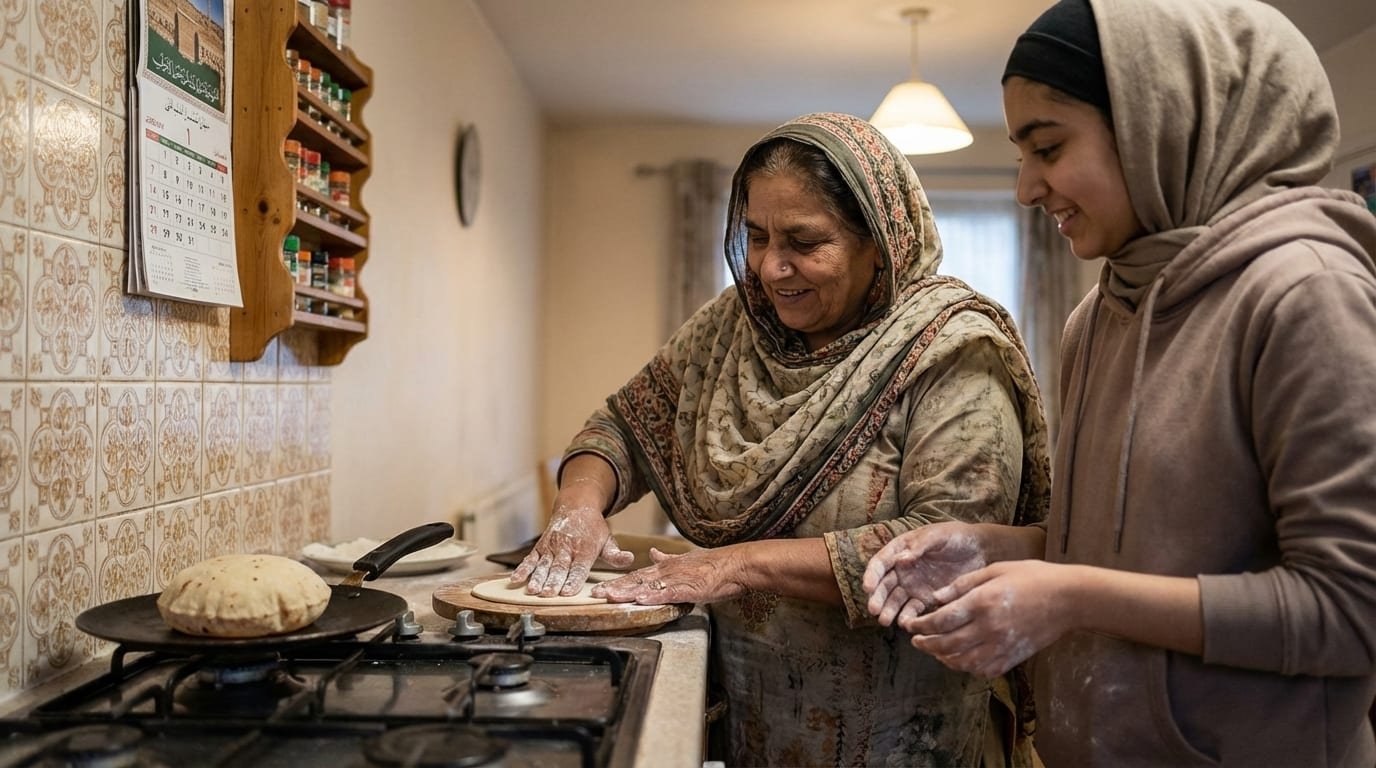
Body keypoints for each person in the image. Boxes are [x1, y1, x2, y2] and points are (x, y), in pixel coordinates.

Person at [862, 0, 1376, 765]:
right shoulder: (1098, 314)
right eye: (1021, 154)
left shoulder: (1306, 293)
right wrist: (993, 548)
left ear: (1157, 123)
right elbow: (1136, 543)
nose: (1026, 188)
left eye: (1048, 147)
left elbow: (1351, 609)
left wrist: (1069, 596)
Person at [510, 112, 1052, 766]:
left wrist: (733, 563)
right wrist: (579, 506)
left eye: (804, 240)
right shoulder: (735, 327)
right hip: (747, 718)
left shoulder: (953, 353)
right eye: (757, 236)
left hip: (903, 733)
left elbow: (950, 547)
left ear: (880, 243)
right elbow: (623, 424)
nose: (771, 267)